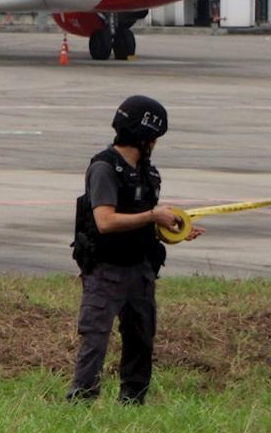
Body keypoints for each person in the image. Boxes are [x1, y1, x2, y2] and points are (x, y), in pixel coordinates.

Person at [66, 95, 204, 404]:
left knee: (141, 338)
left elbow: (142, 222)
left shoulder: (148, 173)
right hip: (106, 270)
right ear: (141, 136)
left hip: (140, 269)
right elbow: (105, 221)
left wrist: (175, 229)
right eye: (153, 138)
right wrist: (154, 215)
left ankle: (133, 401)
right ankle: (82, 400)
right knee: (96, 337)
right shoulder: (105, 168)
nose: (155, 145)